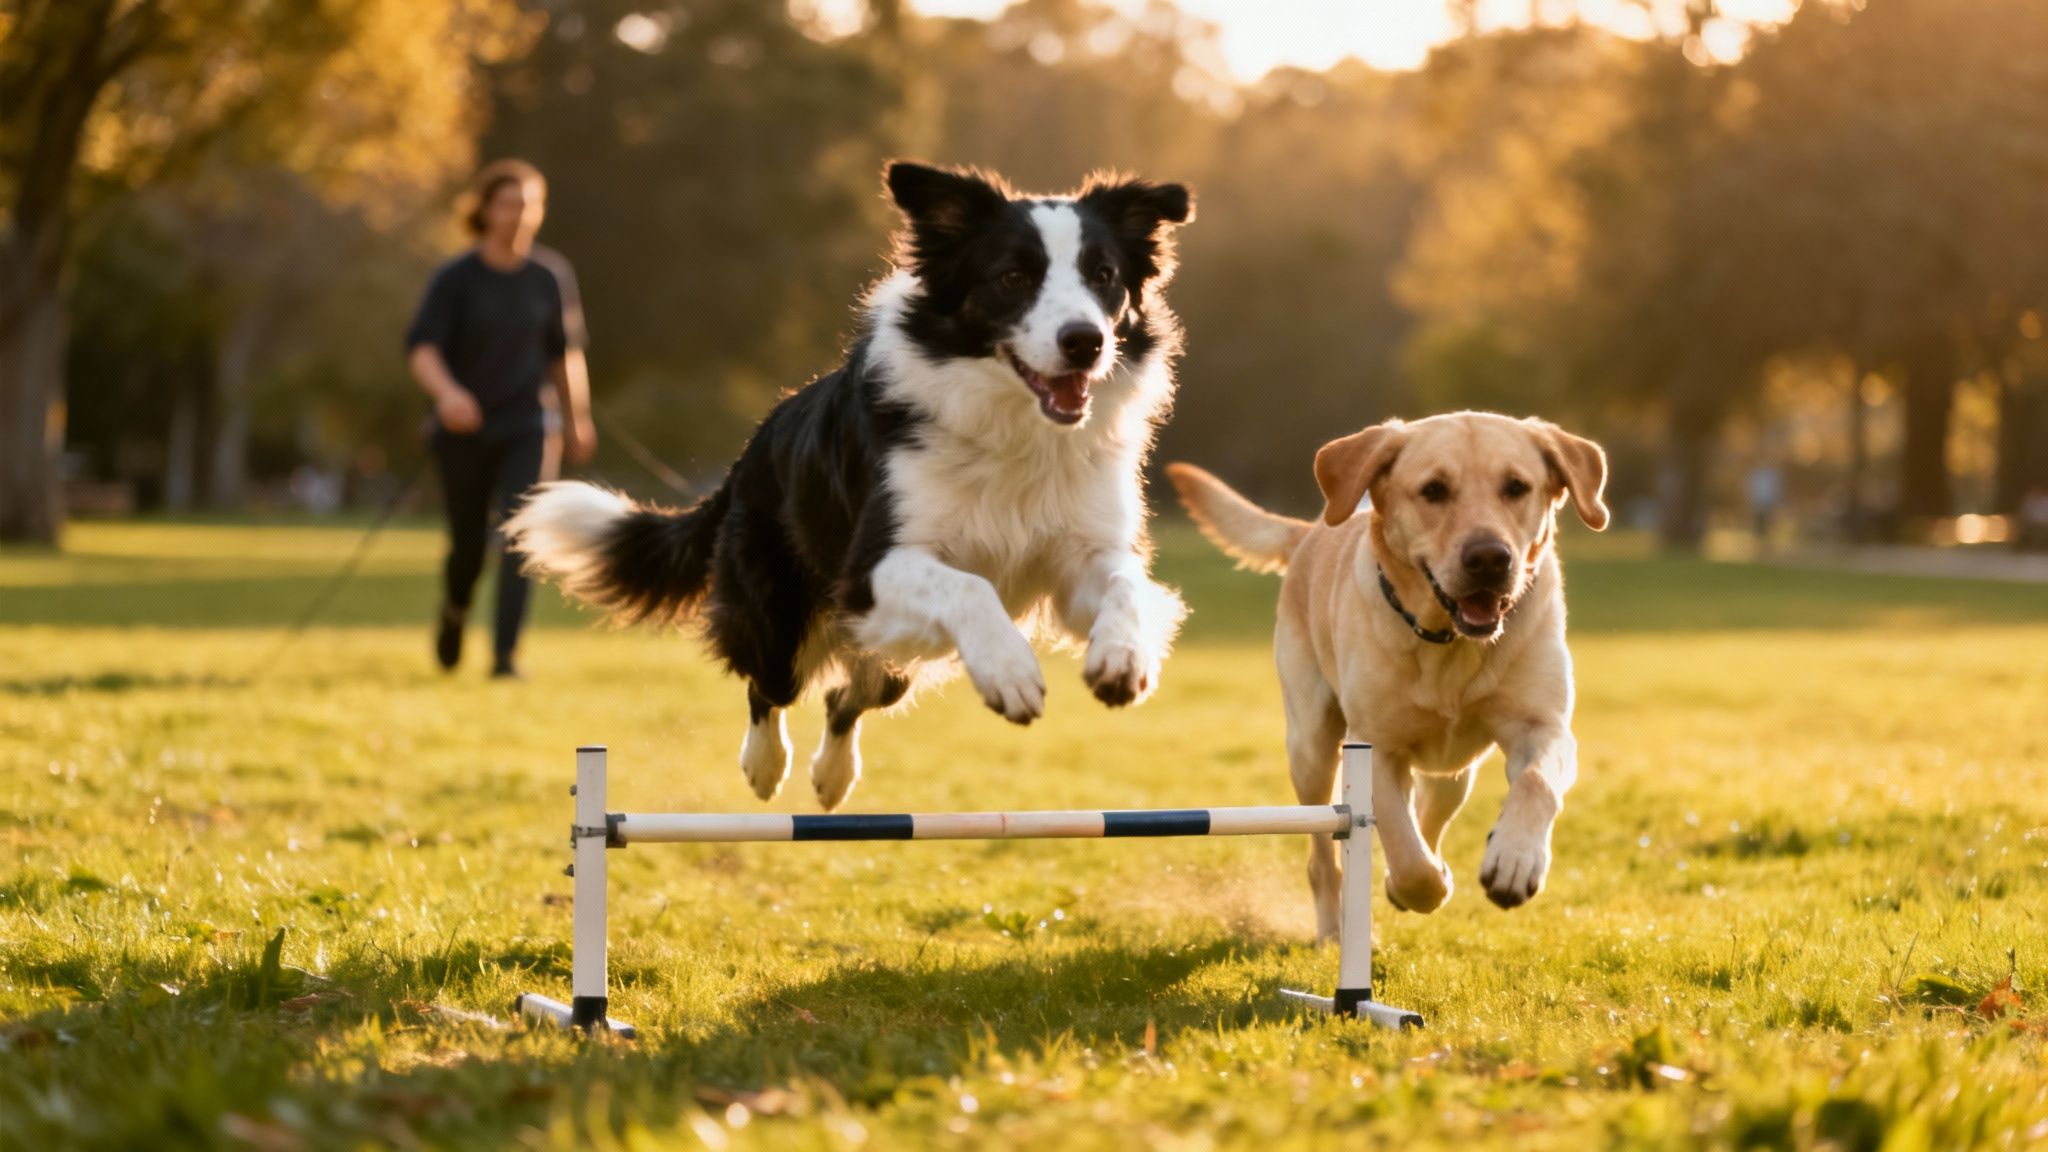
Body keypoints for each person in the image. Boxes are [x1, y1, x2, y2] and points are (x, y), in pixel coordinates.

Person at [406, 159, 596, 678]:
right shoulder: (455, 278)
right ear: (486, 210)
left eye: (530, 204)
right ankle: (454, 611)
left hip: (529, 425)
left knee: (521, 536)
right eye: (509, 203)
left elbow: (564, 354)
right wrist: (447, 395)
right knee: (468, 544)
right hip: (463, 427)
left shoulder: (549, 276)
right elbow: (422, 349)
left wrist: (577, 417)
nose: (520, 215)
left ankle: (505, 657)